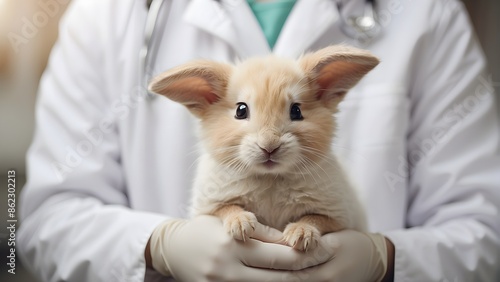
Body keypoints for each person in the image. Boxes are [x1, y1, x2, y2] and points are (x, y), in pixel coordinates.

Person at [18, 0, 500, 281]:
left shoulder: (426, 11)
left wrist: (385, 260)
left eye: (294, 112)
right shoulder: (109, 13)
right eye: (244, 113)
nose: (269, 139)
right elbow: (43, 223)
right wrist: (156, 247)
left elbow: (483, 229)